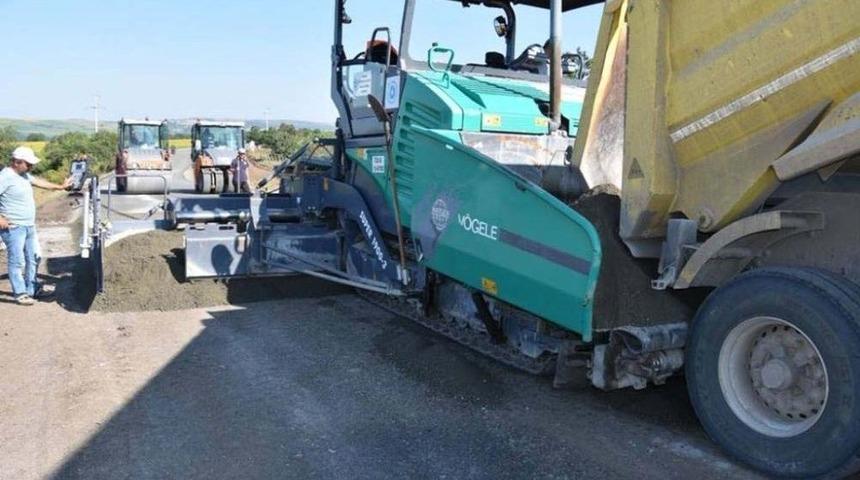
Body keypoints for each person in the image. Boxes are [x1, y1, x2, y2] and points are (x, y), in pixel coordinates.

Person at [0, 146, 72, 305]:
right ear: (16, 162)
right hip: (14, 228)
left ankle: (32, 289)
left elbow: (40, 182)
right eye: (28, 164)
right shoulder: (5, 177)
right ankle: (20, 293)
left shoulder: (24, 175)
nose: (31, 167)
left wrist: (60, 186)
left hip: (28, 226)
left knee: (34, 258)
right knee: (17, 261)